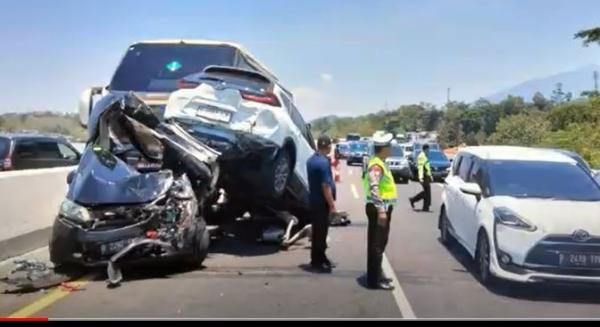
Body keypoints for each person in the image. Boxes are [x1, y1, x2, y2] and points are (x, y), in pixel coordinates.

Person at [362, 132, 398, 290]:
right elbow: (374, 187)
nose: (391, 148)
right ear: (383, 148)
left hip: (379, 208)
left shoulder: (380, 162)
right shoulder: (376, 165)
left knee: (378, 244)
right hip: (378, 209)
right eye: (389, 146)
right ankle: (374, 280)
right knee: (377, 245)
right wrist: (381, 210)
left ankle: (377, 274)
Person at [306, 134, 337, 272]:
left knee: (318, 231)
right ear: (328, 146)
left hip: (313, 200)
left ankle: (320, 257)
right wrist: (332, 205)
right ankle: (317, 260)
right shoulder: (324, 162)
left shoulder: (311, 160)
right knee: (321, 232)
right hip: (321, 203)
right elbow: (326, 186)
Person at [409, 144, 432, 212]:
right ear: (425, 149)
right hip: (423, 176)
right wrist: (421, 178)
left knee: (427, 192)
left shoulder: (425, 156)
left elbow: (427, 167)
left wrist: (430, 175)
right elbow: (421, 168)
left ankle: (425, 206)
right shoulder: (422, 156)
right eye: (428, 150)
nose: (429, 151)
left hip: (426, 176)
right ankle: (414, 200)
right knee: (426, 192)